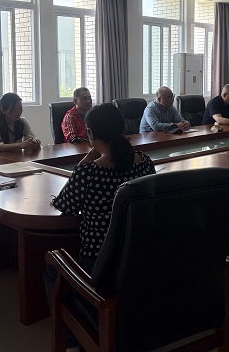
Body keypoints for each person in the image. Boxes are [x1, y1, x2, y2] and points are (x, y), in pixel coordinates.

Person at [46, 103, 155, 351]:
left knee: (52, 268)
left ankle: (72, 340)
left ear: (91, 133)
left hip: (99, 265)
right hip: (138, 258)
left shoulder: (89, 172)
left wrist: (85, 160)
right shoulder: (145, 162)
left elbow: (64, 205)